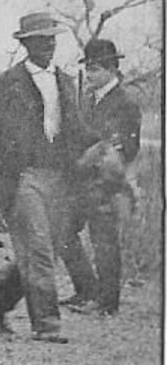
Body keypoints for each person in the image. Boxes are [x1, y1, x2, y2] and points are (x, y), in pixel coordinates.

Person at [0, 12, 97, 343]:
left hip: (60, 176)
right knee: (39, 249)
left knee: (44, 250)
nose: (49, 45)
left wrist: (100, 144)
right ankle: (47, 323)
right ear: (26, 44)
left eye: (52, 39)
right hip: (21, 176)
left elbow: (77, 129)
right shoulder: (4, 85)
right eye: (41, 39)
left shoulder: (67, 83)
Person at [58, 37, 141, 316]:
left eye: (94, 69)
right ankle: (86, 290)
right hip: (82, 180)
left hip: (107, 183)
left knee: (104, 241)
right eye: (88, 69)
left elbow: (127, 146)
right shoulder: (90, 98)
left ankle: (107, 303)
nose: (89, 75)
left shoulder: (124, 102)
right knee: (63, 231)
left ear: (110, 69)